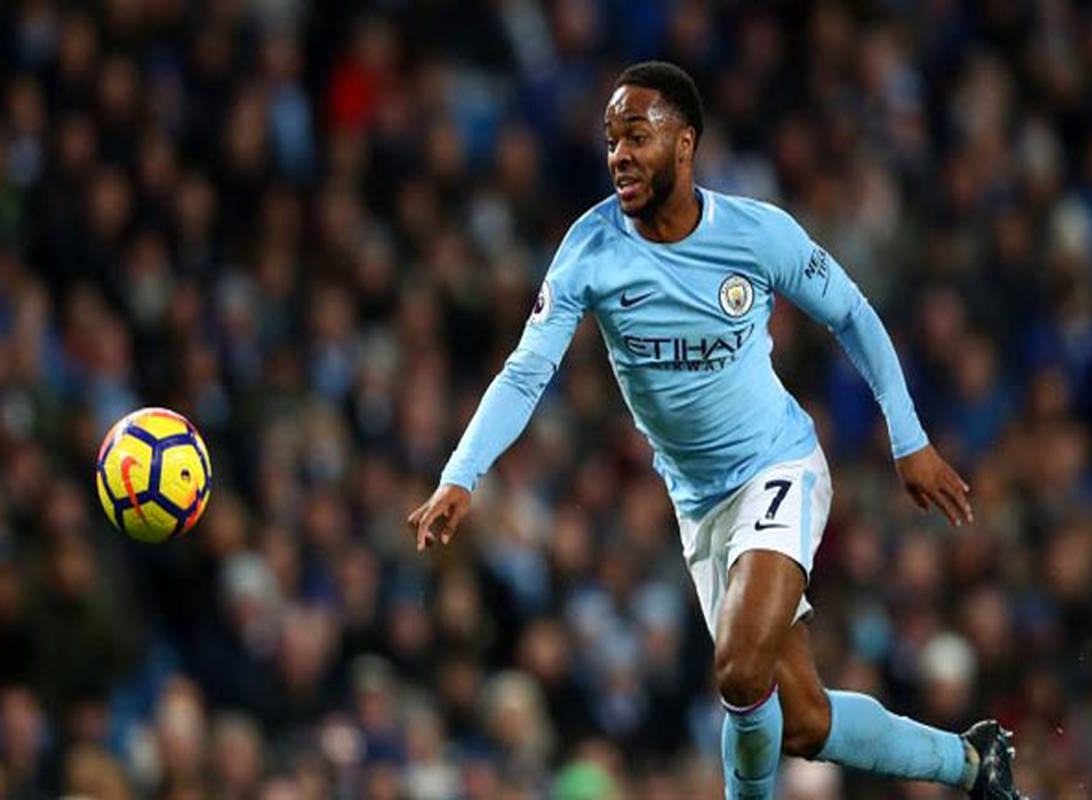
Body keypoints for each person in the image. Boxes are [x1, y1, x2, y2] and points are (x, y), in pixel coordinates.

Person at [407, 61, 1021, 799]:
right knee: (803, 721)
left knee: (737, 668)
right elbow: (525, 371)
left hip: (777, 467)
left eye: (637, 136)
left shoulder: (757, 234)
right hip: (698, 505)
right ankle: (971, 763)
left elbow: (852, 315)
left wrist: (908, 437)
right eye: (611, 140)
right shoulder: (590, 249)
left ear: (685, 143)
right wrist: (461, 473)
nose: (619, 155)